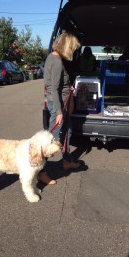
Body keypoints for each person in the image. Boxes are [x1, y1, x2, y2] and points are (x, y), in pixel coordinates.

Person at [38, 32, 81, 185]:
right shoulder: (56, 61)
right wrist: (58, 112)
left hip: (61, 101)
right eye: (73, 48)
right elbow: (53, 88)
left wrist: (67, 86)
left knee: (67, 131)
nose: (74, 51)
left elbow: (56, 84)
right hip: (58, 104)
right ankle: (40, 171)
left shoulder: (53, 56)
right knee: (51, 140)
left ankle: (66, 160)